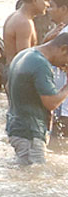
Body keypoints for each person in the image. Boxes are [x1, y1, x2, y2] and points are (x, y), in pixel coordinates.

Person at [4, 32, 68, 165]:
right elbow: (51, 103)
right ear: (64, 49)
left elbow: (7, 86)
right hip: (30, 133)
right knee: (32, 176)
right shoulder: (41, 65)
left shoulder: (25, 54)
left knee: (25, 173)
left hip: (17, 127)